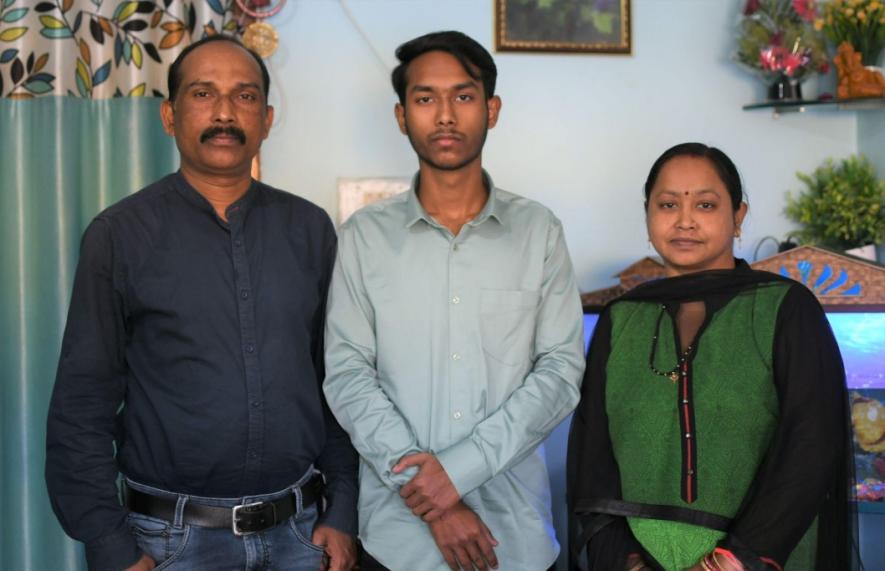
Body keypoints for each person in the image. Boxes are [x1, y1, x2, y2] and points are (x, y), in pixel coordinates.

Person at [45, 35, 358, 571]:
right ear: (169, 116)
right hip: (169, 545)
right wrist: (111, 544)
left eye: (244, 96)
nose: (224, 113)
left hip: (300, 537)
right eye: (203, 94)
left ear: (267, 117)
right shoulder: (119, 235)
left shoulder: (310, 230)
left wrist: (345, 510)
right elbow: (81, 407)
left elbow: (336, 381)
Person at [322, 31, 585, 571]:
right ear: (401, 116)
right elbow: (347, 374)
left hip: (515, 539)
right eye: (425, 99)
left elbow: (560, 372)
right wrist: (435, 498)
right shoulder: (364, 237)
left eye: (463, 97)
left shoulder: (538, 232)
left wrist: (456, 473)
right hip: (398, 542)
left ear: (492, 109)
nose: (445, 115)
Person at [567, 143, 858, 571]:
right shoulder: (621, 320)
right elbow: (594, 459)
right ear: (647, 215)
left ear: (738, 217)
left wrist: (732, 561)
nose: (685, 220)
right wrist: (624, 561)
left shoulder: (786, 309)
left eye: (705, 204)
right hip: (638, 559)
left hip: (760, 558)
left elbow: (811, 444)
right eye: (667, 204)